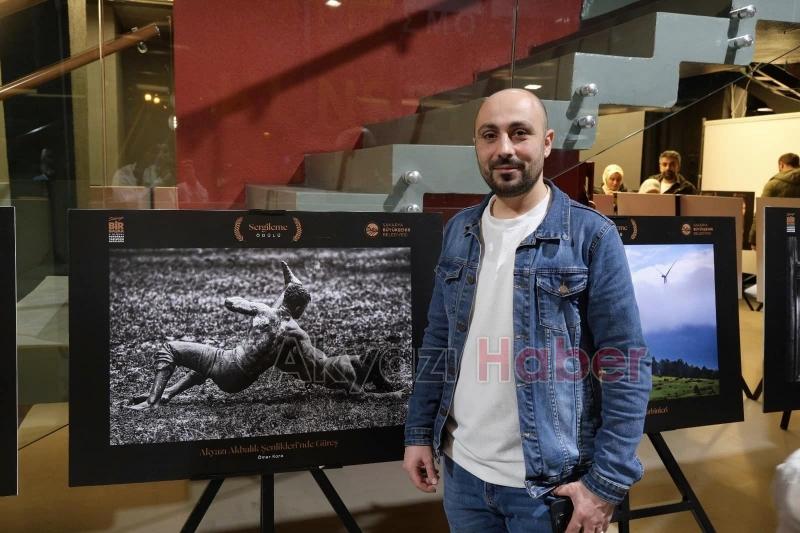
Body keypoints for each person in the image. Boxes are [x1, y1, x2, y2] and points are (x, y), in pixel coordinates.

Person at [402, 88, 651, 533]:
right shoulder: (460, 230)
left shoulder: (590, 237)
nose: (505, 149)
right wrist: (419, 432)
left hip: (549, 486)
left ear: (547, 142)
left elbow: (626, 363)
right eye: (489, 135)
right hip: (464, 476)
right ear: (476, 146)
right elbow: (438, 340)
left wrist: (606, 484)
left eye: (520, 134)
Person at [127, 262, 396, 411]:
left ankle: (151, 402)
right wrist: (289, 287)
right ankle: (167, 394)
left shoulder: (268, 314)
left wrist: (255, 304)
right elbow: (301, 343)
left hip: (228, 366)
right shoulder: (296, 333)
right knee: (209, 360)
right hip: (239, 380)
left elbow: (231, 302)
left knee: (171, 349)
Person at [748, 153, 800, 249]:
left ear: (781, 164)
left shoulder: (773, 185)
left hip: (777, 238)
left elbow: (760, 212)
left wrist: (754, 239)